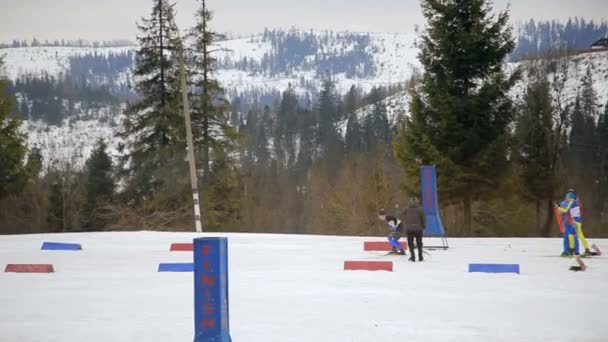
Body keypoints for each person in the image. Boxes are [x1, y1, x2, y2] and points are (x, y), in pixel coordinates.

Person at [557, 189, 591, 256]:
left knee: (573, 235)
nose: (566, 198)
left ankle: (572, 251)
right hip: (577, 222)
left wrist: (558, 207)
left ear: (570, 197)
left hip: (575, 222)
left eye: (568, 197)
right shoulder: (576, 202)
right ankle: (585, 250)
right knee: (577, 236)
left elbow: (565, 210)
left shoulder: (571, 202)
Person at [403, 197, 426, 262]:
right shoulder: (420, 209)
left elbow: (401, 215)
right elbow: (423, 219)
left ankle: (413, 257)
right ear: (417, 202)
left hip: (409, 229)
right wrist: (423, 226)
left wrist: (406, 221)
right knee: (419, 243)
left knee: (410, 243)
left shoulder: (407, 209)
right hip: (418, 229)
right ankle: (420, 257)